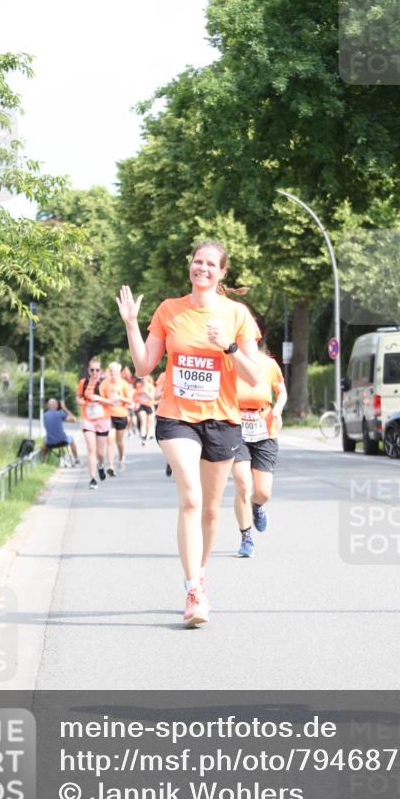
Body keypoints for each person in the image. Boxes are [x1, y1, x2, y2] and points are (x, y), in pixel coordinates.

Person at [117, 240, 260, 628]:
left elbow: (254, 376)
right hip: (177, 416)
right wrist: (131, 323)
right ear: (190, 266)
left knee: (212, 509)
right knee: (192, 498)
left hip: (222, 419)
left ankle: (201, 573)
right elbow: (145, 366)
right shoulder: (169, 310)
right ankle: (193, 588)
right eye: (198, 262)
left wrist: (227, 346)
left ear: (222, 272)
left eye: (211, 264)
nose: (203, 268)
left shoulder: (237, 314)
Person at [232, 343, 287, 558]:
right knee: (243, 485)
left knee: (263, 492)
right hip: (236, 426)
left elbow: (281, 391)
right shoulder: (229, 361)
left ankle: (257, 506)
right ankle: (246, 536)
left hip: (264, 426)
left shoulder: (269, 364)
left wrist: (279, 410)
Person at [76, 359, 111, 489]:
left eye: (97, 370)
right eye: (92, 370)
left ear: (100, 371)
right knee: (91, 450)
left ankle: (101, 465)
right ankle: (92, 478)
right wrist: (80, 401)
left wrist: (99, 399)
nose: (94, 372)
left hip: (102, 420)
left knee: (100, 453)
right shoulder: (83, 383)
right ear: (88, 371)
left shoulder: (105, 384)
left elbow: (112, 402)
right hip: (88, 419)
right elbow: (79, 397)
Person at [99, 361, 133, 474]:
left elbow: (129, 400)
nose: (113, 373)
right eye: (111, 371)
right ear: (109, 371)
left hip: (121, 414)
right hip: (108, 415)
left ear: (119, 372)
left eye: (115, 371)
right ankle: (111, 466)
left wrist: (120, 398)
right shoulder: (104, 384)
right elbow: (100, 399)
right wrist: (108, 401)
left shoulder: (124, 384)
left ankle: (121, 458)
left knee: (119, 441)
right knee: (110, 440)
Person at [41, 398, 80, 464]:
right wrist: (64, 408)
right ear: (56, 405)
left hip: (49, 443)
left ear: (48, 406)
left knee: (44, 441)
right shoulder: (60, 414)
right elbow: (74, 419)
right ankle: (76, 459)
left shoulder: (44, 415)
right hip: (62, 441)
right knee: (71, 439)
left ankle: (43, 461)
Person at [133, 374, 156, 445]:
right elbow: (136, 396)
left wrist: (146, 392)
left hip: (149, 405)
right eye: (142, 378)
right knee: (143, 421)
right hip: (141, 405)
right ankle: (143, 438)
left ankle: (147, 435)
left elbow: (152, 397)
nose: (143, 379)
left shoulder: (150, 386)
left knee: (149, 423)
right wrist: (136, 403)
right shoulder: (138, 386)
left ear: (147, 378)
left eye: (144, 378)